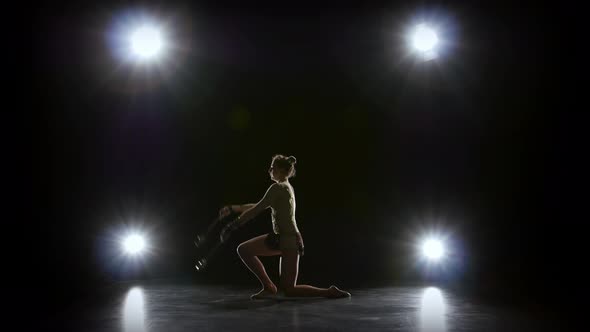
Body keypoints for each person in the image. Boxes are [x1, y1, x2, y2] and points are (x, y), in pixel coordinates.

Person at [219, 154, 351, 299]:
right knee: (244, 250)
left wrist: (233, 225)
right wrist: (233, 209)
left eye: (273, 168)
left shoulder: (277, 187)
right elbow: (259, 205)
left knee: (290, 289)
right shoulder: (287, 188)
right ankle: (269, 287)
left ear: (281, 170)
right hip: (285, 239)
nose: (270, 170)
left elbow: (257, 209)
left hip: (287, 240)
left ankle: (328, 291)